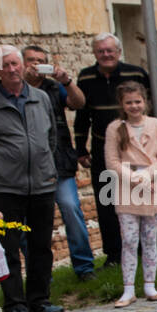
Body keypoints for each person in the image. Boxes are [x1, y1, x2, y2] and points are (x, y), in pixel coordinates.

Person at [0, 44, 65, 312]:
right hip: (6, 189)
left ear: (22, 65)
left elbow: (51, 139)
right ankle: (14, 305)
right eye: (5, 65)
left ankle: (40, 299)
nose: (12, 69)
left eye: (15, 63)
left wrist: (47, 169)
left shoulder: (40, 98)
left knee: (40, 245)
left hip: (42, 185)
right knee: (7, 248)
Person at [73, 33, 150, 268]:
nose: (106, 55)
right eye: (101, 51)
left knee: (136, 196)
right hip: (101, 147)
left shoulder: (135, 73)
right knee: (107, 201)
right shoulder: (86, 76)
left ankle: (141, 248)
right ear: (95, 53)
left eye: (110, 51)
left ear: (118, 52)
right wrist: (80, 148)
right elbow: (82, 114)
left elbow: (149, 107)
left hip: (134, 146)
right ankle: (114, 253)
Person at [22, 45, 94, 280]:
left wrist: (67, 81)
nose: (35, 65)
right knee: (30, 223)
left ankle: (84, 268)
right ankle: (41, 274)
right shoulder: (14, 89)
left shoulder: (54, 87)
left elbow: (79, 103)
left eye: (40, 61)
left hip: (60, 161)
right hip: (27, 168)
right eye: (31, 60)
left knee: (72, 210)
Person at [103, 82, 157, 308]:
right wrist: (133, 177)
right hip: (127, 187)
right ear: (122, 104)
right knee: (130, 239)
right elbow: (111, 161)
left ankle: (150, 284)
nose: (134, 106)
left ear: (145, 102)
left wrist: (147, 175)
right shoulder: (115, 128)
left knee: (149, 238)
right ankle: (128, 288)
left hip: (151, 186)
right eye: (129, 102)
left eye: (138, 101)